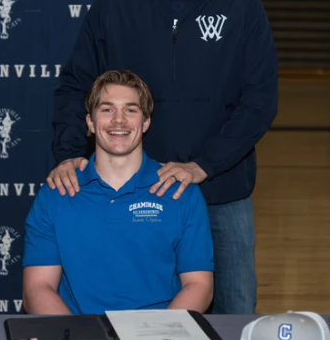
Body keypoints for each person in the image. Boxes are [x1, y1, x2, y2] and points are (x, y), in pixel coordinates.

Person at [47, 0, 278, 315]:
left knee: (233, 317)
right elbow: (76, 85)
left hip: (220, 195)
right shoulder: (116, 3)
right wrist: (65, 154)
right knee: (140, 318)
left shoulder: (241, 6)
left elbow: (261, 100)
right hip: (136, 192)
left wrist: (202, 166)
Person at [24, 70, 214, 315]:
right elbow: (38, 287)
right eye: (107, 109)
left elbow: (199, 285)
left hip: (157, 339)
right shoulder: (57, 193)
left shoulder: (181, 194)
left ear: (146, 122)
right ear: (90, 122)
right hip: (81, 338)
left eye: (131, 110)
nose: (119, 120)